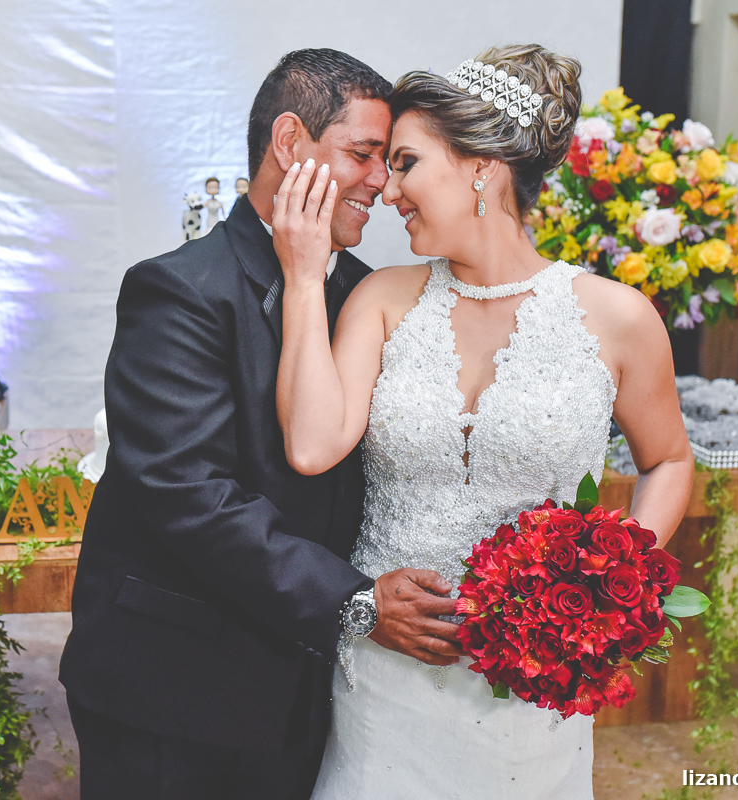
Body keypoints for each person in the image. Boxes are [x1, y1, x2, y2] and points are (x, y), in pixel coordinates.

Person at [271, 44, 694, 798]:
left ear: (480, 166)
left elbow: (668, 461)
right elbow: (310, 444)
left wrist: (609, 578)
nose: (387, 189)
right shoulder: (382, 300)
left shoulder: (618, 318)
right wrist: (306, 278)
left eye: (406, 163)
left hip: (531, 690)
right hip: (388, 673)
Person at [60, 48, 462, 800]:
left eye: (387, 160)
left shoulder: (361, 292)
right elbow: (187, 493)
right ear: (289, 143)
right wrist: (357, 601)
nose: (382, 181)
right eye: (363, 154)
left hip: (303, 684)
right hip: (173, 687)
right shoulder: (177, 290)